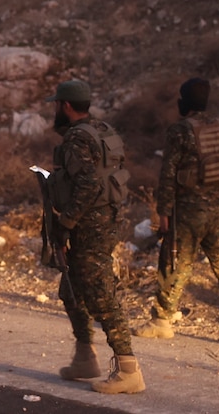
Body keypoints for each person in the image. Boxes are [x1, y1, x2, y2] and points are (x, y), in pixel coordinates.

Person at [135, 78, 219, 347]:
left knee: (174, 264)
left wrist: (163, 211)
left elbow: (168, 174)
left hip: (188, 213)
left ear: (184, 102)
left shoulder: (180, 131)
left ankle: (161, 322)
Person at [46, 80, 145, 394]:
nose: (55, 110)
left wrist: (65, 222)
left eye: (56, 104)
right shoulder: (103, 131)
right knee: (71, 287)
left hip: (89, 224)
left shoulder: (77, 137)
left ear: (65, 105)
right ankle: (85, 357)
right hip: (105, 219)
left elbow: (88, 185)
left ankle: (128, 369)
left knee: (100, 294)